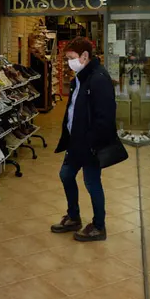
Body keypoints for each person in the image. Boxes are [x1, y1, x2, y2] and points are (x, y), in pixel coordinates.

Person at [51, 37, 116, 242]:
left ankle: (99, 226)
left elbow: (105, 117)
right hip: (75, 141)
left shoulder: (98, 78)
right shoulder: (79, 77)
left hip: (90, 144)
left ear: (84, 56)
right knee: (66, 175)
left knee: (91, 182)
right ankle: (73, 216)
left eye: (72, 58)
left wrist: (91, 142)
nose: (69, 63)